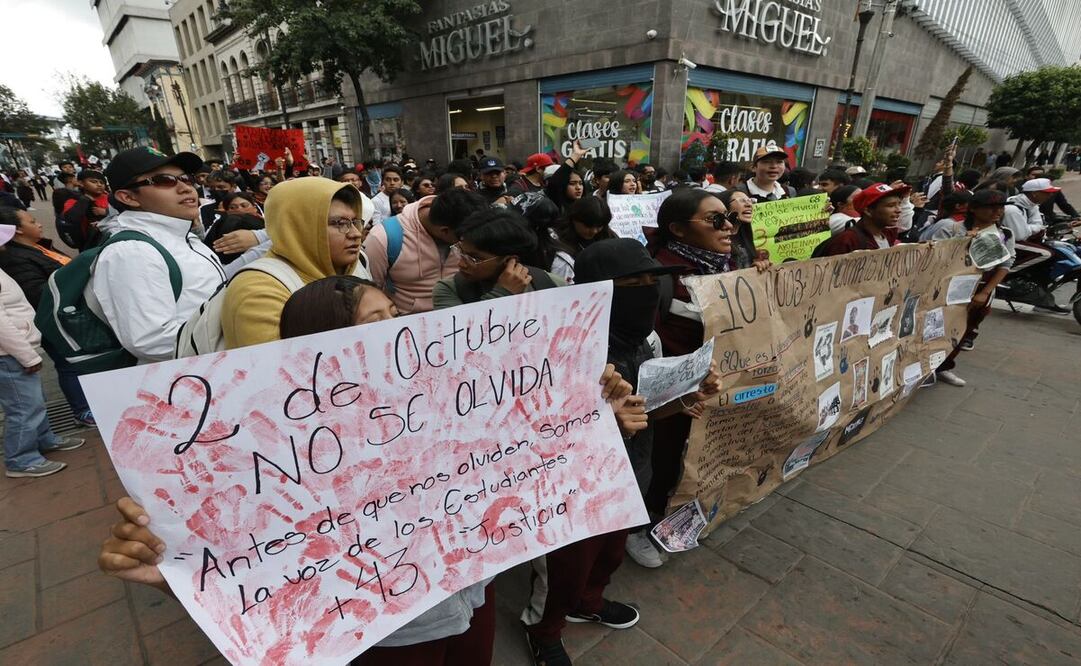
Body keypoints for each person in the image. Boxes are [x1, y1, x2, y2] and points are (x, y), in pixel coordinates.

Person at [520, 237, 719, 664]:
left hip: (630, 478)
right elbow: (544, 436)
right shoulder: (565, 353)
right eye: (633, 282)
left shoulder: (648, 340)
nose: (648, 290)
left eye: (653, 280)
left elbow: (647, 412)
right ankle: (545, 628)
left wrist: (686, 398)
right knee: (563, 571)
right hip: (577, 493)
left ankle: (588, 603)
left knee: (609, 557)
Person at [85, 148, 226, 363]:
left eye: (186, 179)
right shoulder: (132, 252)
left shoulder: (180, 234)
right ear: (128, 197)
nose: (185, 188)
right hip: (190, 378)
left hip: (216, 364)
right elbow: (151, 340)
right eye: (164, 180)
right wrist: (237, 332)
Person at [221, 177, 373, 349]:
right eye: (340, 223)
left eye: (355, 222)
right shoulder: (258, 291)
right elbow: (276, 369)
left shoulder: (355, 265)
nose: (355, 234)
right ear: (300, 227)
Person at [0, 223, 85, 478]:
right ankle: (21, 459)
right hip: (10, 354)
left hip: (16, 350)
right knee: (24, 407)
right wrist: (26, 355)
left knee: (34, 402)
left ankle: (45, 438)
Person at [0, 207, 94, 425]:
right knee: (67, 366)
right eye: (33, 221)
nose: (39, 224)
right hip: (52, 321)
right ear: (19, 230)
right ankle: (82, 410)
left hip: (63, 316)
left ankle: (49, 436)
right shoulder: (15, 259)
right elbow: (37, 292)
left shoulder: (36, 248)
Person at [932, 189, 1013, 385]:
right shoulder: (952, 229)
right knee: (935, 326)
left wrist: (985, 292)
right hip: (948, 286)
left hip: (981, 288)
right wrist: (961, 243)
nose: (997, 212)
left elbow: (1005, 264)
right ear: (974, 209)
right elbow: (933, 256)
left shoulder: (1004, 234)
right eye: (991, 208)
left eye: (1000, 207)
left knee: (964, 328)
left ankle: (944, 366)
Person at [366, 188, 487, 314]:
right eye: (462, 239)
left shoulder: (467, 226)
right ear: (444, 230)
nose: (468, 242)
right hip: (410, 324)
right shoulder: (383, 238)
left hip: (464, 318)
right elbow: (372, 291)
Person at [432, 208, 566, 309]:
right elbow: (461, 337)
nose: (461, 264)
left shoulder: (552, 285)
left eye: (474, 259)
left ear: (509, 260)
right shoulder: (449, 289)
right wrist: (502, 293)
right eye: (460, 252)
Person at [821, 183, 909, 256]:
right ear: (868, 211)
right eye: (891, 205)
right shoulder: (847, 241)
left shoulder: (888, 235)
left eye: (899, 204)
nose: (899, 210)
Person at [550, 196, 616, 282]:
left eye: (599, 226)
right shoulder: (557, 241)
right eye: (588, 226)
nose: (594, 231)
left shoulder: (609, 237)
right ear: (574, 219)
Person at [60, 169, 109, 249]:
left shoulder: (110, 198)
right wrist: (85, 200)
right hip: (89, 244)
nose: (99, 185)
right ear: (81, 183)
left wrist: (106, 212)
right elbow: (70, 218)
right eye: (94, 182)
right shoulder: (73, 201)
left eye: (102, 182)